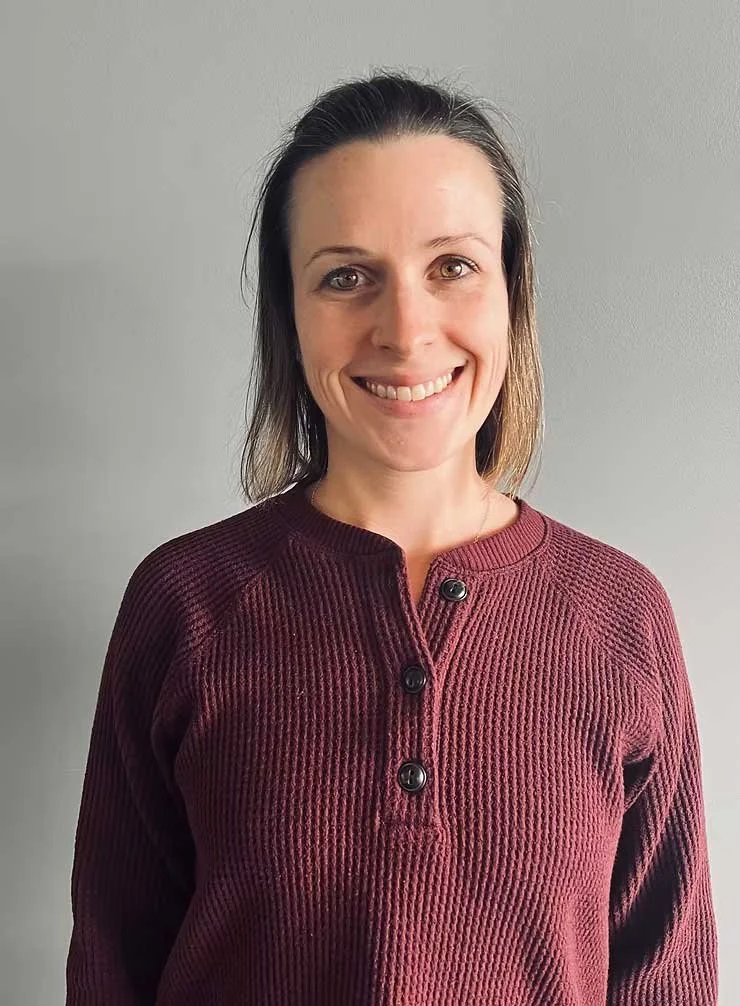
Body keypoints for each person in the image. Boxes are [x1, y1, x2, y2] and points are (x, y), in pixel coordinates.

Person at [65, 70, 719, 1004]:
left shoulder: (621, 617)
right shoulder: (185, 604)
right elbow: (110, 967)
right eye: (346, 277)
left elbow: (669, 978)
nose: (406, 331)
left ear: (511, 292)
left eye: (451, 266)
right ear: (289, 321)